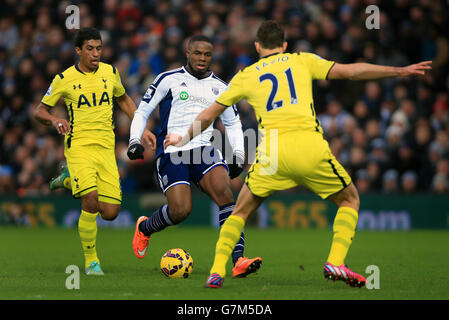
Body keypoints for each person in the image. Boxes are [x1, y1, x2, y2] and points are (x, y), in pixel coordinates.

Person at [164, 20, 432, 288]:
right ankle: (335, 261)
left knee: (240, 212)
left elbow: (209, 114)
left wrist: (182, 137)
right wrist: (399, 70)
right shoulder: (303, 61)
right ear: (284, 46)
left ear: (257, 46)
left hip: (272, 154)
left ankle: (216, 272)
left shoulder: (246, 76)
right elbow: (350, 72)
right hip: (309, 148)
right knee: (349, 200)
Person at [128, 35, 262, 278]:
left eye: (207, 54)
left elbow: (232, 123)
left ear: (212, 56)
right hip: (172, 151)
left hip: (205, 149)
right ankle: (145, 227)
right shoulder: (168, 79)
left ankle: (238, 259)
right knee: (181, 210)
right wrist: (134, 140)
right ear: (188, 52)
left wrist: (239, 155)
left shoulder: (221, 87)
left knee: (226, 196)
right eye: (197, 53)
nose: (202, 58)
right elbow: (143, 110)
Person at [34, 27, 155, 275]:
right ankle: (91, 262)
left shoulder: (110, 72)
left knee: (110, 212)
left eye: (99, 48)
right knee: (89, 199)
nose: (95, 53)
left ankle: (67, 180)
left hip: (106, 149)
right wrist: (54, 120)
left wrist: (140, 128)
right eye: (90, 49)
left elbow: (123, 100)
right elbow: (40, 111)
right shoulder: (64, 78)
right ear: (78, 50)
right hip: (78, 147)